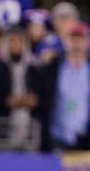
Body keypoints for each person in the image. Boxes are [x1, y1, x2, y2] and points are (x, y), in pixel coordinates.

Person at [34, 21, 90, 150]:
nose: (77, 43)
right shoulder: (53, 67)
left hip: (86, 139)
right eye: (73, 38)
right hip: (57, 137)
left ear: (87, 42)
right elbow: (42, 97)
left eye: (81, 38)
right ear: (66, 40)